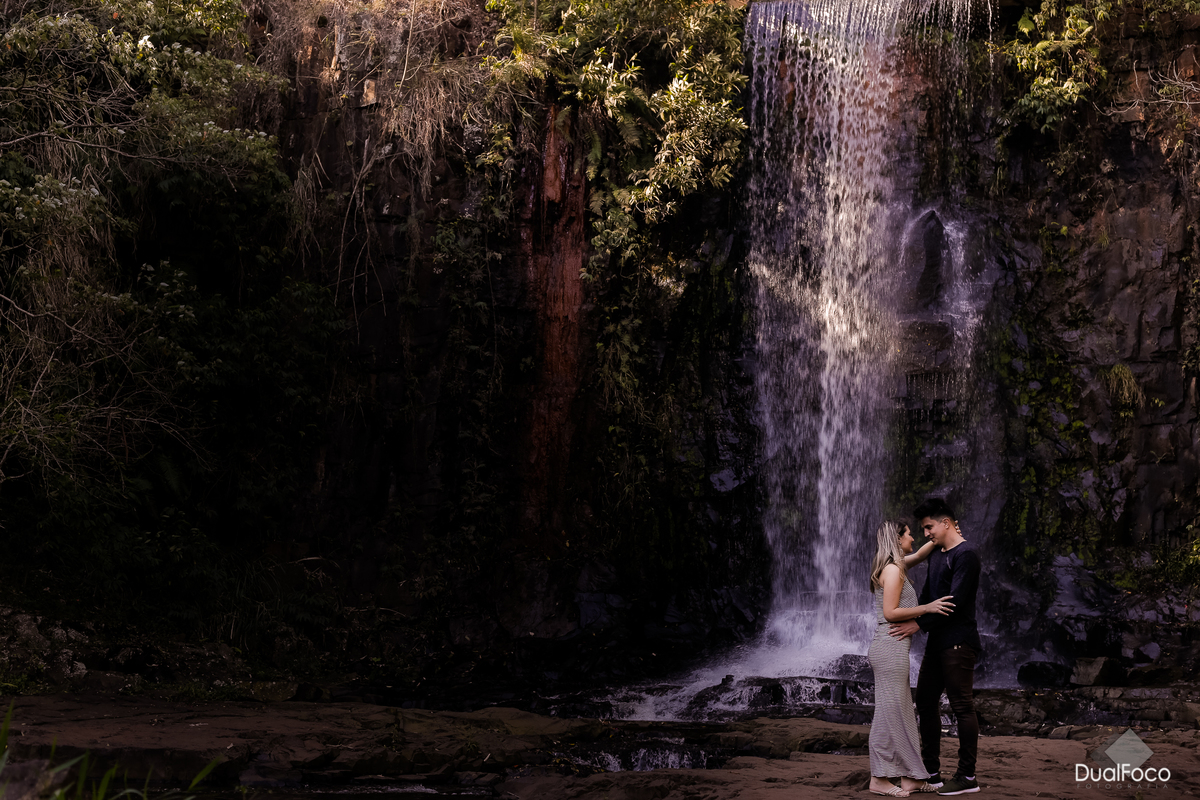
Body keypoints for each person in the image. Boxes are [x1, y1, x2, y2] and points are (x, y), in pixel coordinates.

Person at [889, 499, 983, 796]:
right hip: (937, 642)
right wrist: (915, 615)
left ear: (946, 523)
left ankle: (967, 776)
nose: (926, 533)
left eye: (929, 527)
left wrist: (918, 625)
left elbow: (954, 602)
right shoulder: (938, 553)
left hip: (959, 641)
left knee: (961, 706)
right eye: (923, 529)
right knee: (926, 701)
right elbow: (930, 596)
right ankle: (931, 772)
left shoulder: (966, 554)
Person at [867, 520, 952, 797]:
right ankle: (878, 778)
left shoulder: (894, 566)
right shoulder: (893, 570)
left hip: (892, 648)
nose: (914, 538)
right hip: (890, 648)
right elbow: (890, 613)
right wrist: (927, 608)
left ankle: (912, 777)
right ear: (897, 539)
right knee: (888, 714)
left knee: (902, 712)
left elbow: (919, 554)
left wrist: (943, 535)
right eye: (909, 534)